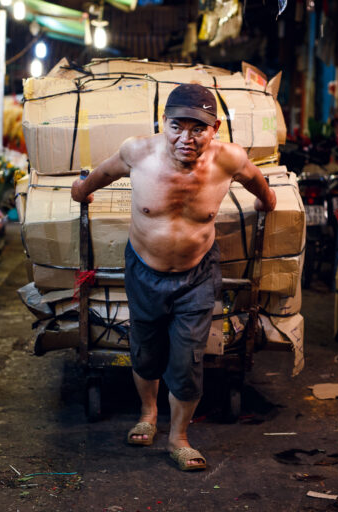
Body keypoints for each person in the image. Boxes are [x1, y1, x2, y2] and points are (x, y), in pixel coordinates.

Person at [71, 83, 276, 471]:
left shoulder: (229, 159)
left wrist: (268, 202)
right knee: (145, 350)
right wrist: (80, 191)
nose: (187, 138)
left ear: (215, 128)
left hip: (197, 275)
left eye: (197, 128)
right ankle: (147, 414)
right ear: (161, 123)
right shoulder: (138, 152)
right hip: (144, 270)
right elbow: (99, 176)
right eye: (176, 126)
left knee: (187, 360)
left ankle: (178, 438)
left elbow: (259, 185)